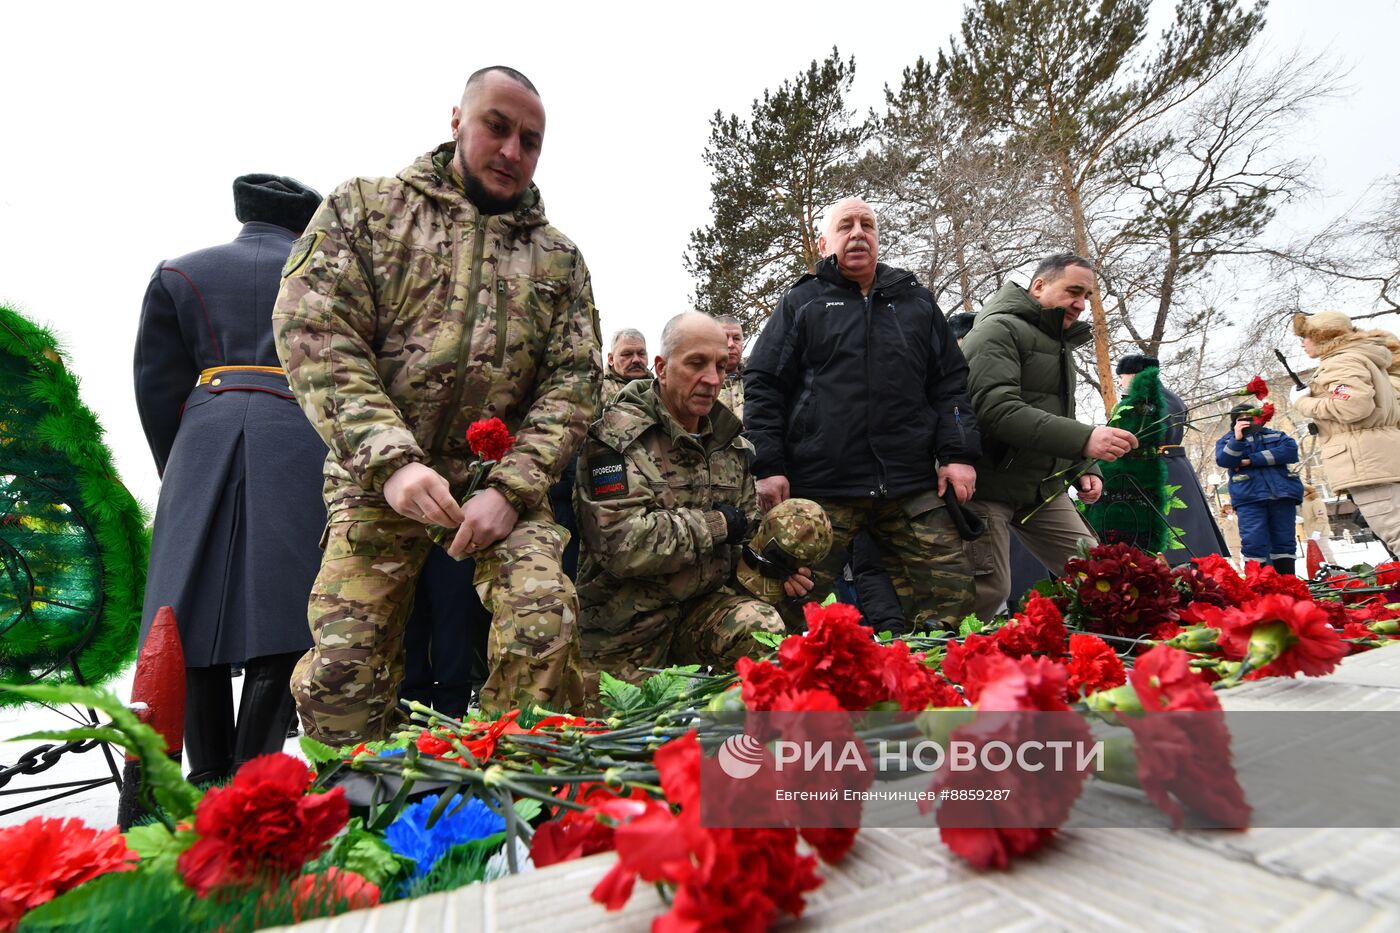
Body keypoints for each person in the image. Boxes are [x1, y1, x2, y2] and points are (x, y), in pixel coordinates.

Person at [273, 66, 601, 745]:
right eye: (497, 127)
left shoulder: (559, 259)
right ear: (457, 119)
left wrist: (512, 487)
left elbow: (572, 382)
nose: (513, 151)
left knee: (544, 625)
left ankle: (506, 786)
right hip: (379, 480)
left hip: (497, 487)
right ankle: (364, 808)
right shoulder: (366, 209)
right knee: (341, 673)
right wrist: (391, 462)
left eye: (531, 141)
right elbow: (317, 332)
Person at [134, 174, 324, 784]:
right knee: (284, 606)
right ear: (305, 222)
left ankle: (205, 771)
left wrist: (182, 466)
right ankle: (253, 777)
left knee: (183, 609)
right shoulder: (320, 278)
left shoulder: (181, 272)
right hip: (295, 435)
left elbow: (157, 385)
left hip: (203, 433)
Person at [745, 197, 980, 630]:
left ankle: (931, 686)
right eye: (845, 225)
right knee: (786, 605)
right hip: (823, 487)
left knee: (953, 596)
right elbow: (763, 384)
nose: (857, 233)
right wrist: (768, 465)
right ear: (824, 242)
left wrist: (958, 454)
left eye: (867, 225)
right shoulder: (803, 303)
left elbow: (950, 385)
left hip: (910, 484)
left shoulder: (917, 304)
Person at [574, 313, 825, 686]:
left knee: (761, 626)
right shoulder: (614, 440)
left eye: (721, 366)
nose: (712, 379)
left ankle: (742, 733)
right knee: (611, 733)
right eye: (696, 363)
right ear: (661, 368)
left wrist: (769, 565)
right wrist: (717, 524)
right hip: (623, 625)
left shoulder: (731, 445)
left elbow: (743, 532)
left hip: (702, 612)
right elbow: (622, 544)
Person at [961, 254, 1137, 621]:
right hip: (986, 485)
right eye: (1073, 291)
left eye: (1087, 295)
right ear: (1039, 285)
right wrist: (1085, 440)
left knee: (1096, 571)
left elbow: (1057, 416)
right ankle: (955, 671)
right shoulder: (997, 330)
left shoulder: (1056, 340)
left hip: (1040, 488)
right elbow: (995, 410)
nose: (1081, 303)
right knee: (986, 595)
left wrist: (1082, 466)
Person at [1291, 311, 1400, 556]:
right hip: (1377, 458)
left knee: (1395, 531)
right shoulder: (1360, 358)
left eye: (1306, 336)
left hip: (1367, 463)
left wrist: (1303, 403)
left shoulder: (1341, 361)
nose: (1302, 343)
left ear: (1322, 337)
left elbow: (1352, 406)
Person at [1115, 354, 1231, 563]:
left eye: (1122, 377)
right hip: (1172, 466)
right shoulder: (1167, 396)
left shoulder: (1148, 398)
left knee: (1176, 540)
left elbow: (1144, 434)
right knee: (1187, 534)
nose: (1120, 383)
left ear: (1133, 375)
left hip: (1158, 470)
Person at [1215, 403, 1303, 574]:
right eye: (1241, 419)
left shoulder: (1276, 435)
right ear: (1234, 422)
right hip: (1249, 498)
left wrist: (1251, 460)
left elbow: (1290, 452)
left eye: (1251, 418)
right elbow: (1225, 460)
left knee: (1285, 541)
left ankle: (1287, 582)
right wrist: (1237, 439)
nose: (1247, 422)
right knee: (1253, 542)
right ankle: (1258, 585)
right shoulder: (1227, 441)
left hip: (1282, 494)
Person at [603, 329, 649, 407]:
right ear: (611, 359)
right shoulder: (596, 389)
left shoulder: (660, 388)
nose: (636, 360)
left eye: (641, 354)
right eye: (627, 354)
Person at [715, 314, 746, 423]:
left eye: (736, 338)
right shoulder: (698, 384)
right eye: (724, 338)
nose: (731, 344)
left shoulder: (757, 380)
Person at [1299, 483, 1338, 565]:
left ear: (1307, 491)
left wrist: (1317, 531)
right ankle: (1323, 568)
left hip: (1320, 531)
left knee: (1324, 549)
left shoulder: (1316, 501)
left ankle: (1333, 566)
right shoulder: (1305, 502)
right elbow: (1309, 517)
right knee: (1318, 552)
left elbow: (1322, 518)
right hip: (1312, 532)